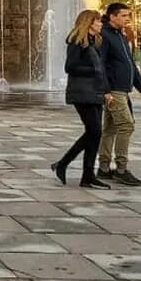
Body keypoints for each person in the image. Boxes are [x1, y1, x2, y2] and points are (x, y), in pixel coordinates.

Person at [51, 10, 111, 189]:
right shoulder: (77, 42)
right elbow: (70, 67)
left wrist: (106, 90)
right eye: (98, 21)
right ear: (89, 23)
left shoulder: (95, 42)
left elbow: (102, 69)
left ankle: (86, 175)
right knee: (94, 131)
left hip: (95, 92)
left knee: (95, 133)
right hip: (81, 92)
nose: (101, 24)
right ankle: (65, 164)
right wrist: (92, 70)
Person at [97, 2, 141, 186]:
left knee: (111, 128)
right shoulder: (105, 35)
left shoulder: (120, 35)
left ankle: (104, 168)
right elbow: (100, 65)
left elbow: (129, 63)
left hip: (122, 89)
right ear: (112, 16)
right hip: (114, 90)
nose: (127, 19)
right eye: (124, 15)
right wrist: (105, 90)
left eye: (129, 16)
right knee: (127, 125)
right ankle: (121, 169)